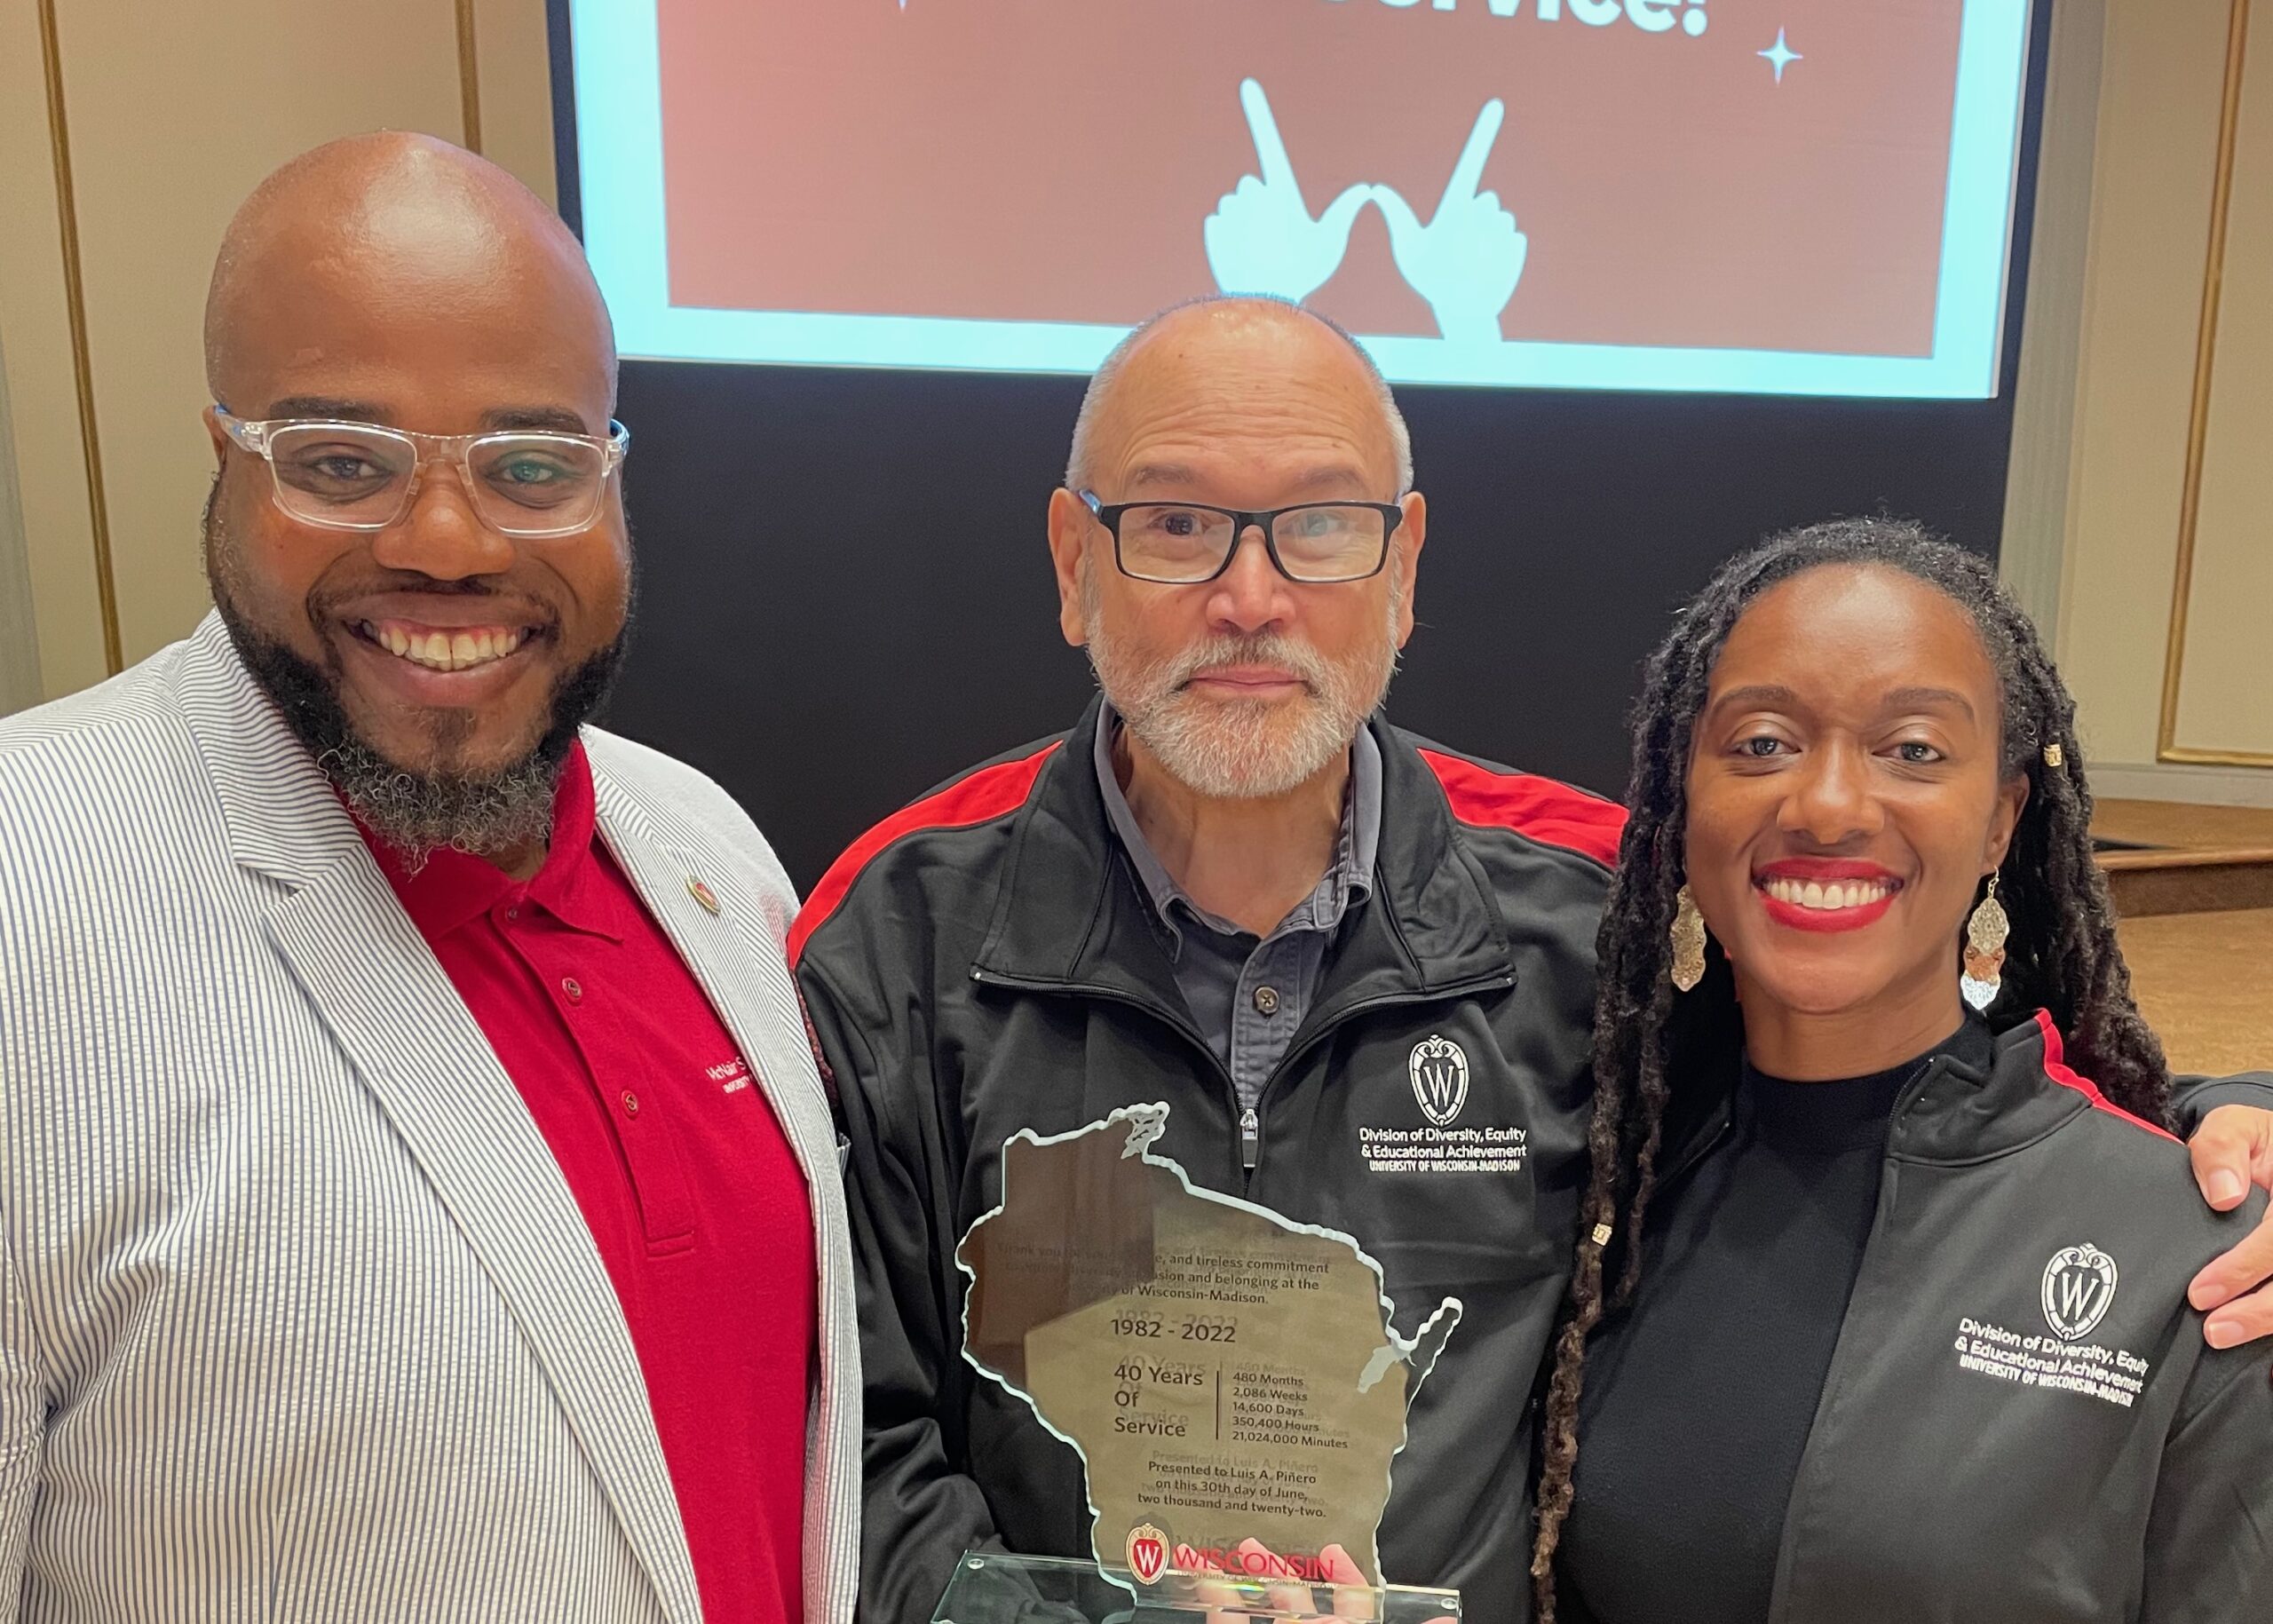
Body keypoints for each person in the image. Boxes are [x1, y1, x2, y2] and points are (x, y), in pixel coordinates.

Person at [793, 296, 2273, 1621]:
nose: (1250, 597)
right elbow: (842, 1427)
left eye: (1320, 524)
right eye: (1176, 526)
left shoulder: (1586, 934)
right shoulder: (900, 942)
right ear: (1074, 561)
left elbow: (1911, 1075)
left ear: (1404, 565)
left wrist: (2224, 1124)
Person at [0, 135, 857, 1623]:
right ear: (224, 459)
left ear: (610, 477)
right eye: (344, 460)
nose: (448, 541)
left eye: (531, 464)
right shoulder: (31, 884)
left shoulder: (713, 853)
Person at [1533, 520, 2273, 1622]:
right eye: (1762, 742)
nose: (1827, 805)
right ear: (1682, 794)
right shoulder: (1592, 1174)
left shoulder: (2205, 1258)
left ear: (1999, 821)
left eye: (1913, 749)